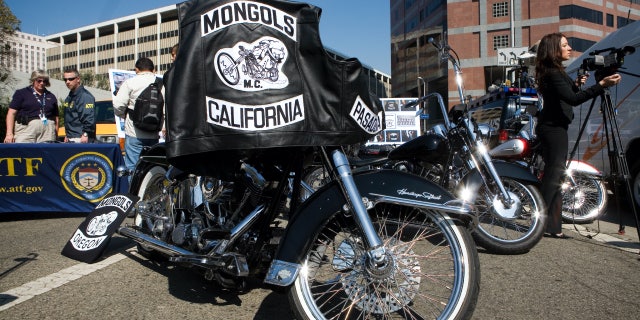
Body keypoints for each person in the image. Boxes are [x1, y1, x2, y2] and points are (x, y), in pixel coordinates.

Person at [534, 32, 622, 238]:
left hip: (556, 129)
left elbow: (566, 95)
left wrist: (576, 85)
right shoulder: (554, 74)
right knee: (554, 177)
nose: (569, 48)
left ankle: (552, 228)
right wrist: (601, 85)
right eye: (565, 45)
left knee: (556, 177)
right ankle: (539, 224)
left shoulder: (554, 72)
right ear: (554, 49)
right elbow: (573, 100)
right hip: (553, 130)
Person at [113, 57, 162, 174]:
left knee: (132, 168)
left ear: (137, 69)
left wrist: (124, 116)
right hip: (154, 133)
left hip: (134, 132)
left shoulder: (130, 82)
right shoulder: (162, 83)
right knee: (152, 168)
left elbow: (118, 105)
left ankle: (133, 192)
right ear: (153, 69)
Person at [4, 70, 59, 143]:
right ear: (33, 80)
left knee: (46, 153)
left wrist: (56, 133)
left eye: (44, 81)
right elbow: (11, 113)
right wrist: (9, 134)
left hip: (47, 131)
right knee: (25, 152)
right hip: (26, 129)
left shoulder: (51, 96)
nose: (42, 83)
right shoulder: (21, 93)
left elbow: (56, 117)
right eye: (39, 81)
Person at [62, 68, 96, 143]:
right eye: (65, 79)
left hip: (81, 137)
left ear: (78, 79)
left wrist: (85, 134)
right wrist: (67, 135)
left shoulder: (85, 96)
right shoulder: (69, 97)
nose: (67, 82)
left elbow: (89, 118)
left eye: (70, 79)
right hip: (71, 137)